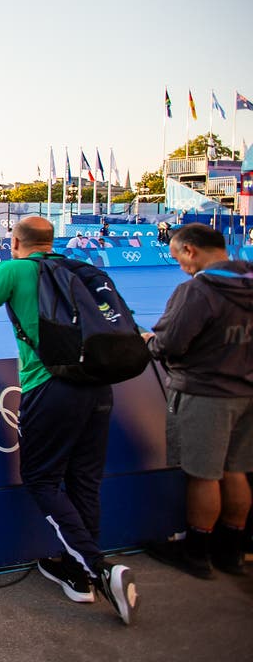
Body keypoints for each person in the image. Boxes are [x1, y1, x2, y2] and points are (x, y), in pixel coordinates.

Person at [0, 215, 139, 625]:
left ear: (15, 243)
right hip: (99, 389)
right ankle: (78, 578)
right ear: (51, 241)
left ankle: (100, 568)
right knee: (84, 483)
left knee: (41, 479)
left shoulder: (13, 269)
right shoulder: (82, 269)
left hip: (49, 388)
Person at [141, 223, 253, 577]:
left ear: (190, 250)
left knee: (202, 474)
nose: (179, 266)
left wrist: (149, 341)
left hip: (204, 392)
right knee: (236, 470)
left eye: (178, 257)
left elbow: (169, 343)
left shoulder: (197, 292)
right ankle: (231, 551)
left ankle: (196, 550)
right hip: (246, 391)